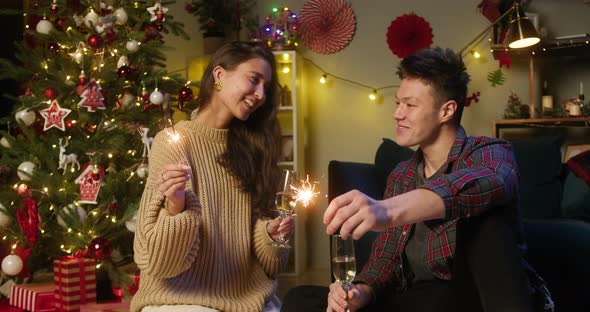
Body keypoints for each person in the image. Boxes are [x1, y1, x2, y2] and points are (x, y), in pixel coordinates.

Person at [281, 47, 553, 312]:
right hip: (414, 299)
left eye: (410, 105)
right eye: (398, 103)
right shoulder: (402, 175)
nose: (397, 113)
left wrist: (386, 210)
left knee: (487, 219)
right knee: (300, 299)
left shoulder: (490, 152)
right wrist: (360, 292)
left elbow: (491, 182)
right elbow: (385, 258)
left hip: (469, 297)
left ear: (446, 111)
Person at [131, 41, 295, 312]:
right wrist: (176, 207)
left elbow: (271, 265)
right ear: (219, 75)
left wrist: (269, 235)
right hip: (179, 297)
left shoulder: (253, 150)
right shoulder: (173, 143)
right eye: (254, 80)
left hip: (244, 296)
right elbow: (159, 262)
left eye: (266, 86)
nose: (261, 94)